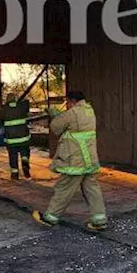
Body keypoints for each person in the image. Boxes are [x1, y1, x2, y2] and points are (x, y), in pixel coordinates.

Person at [32, 90, 107, 231]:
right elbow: (73, 124)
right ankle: (99, 220)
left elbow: (56, 127)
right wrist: (60, 116)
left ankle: (50, 218)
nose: (67, 105)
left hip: (75, 160)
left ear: (72, 101)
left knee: (64, 189)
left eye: (67, 102)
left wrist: (54, 115)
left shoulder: (72, 113)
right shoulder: (90, 111)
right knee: (92, 189)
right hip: (89, 160)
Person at [0, 94, 32, 179]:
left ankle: (14, 174)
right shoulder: (22, 107)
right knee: (25, 153)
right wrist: (19, 102)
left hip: (11, 140)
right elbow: (27, 101)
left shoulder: (3, 109)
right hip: (24, 139)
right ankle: (25, 163)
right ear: (15, 99)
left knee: (13, 156)